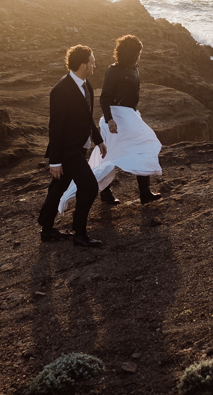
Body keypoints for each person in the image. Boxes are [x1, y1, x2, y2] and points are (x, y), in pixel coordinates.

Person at [58, 34, 162, 215]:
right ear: (129, 53)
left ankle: (144, 193)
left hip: (130, 115)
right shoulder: (113, 71)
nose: (139, 56)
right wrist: (109, 119)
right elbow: (104, 97)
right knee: (113, 155)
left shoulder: (134, 68)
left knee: (141, 147)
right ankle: (105, 192)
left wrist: (134, 114)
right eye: (137, 53)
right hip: (116, 117)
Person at [37, 44, 107, 247]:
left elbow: (87, 117)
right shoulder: (61, 90)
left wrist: (98, 139)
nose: (95, 65)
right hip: (67, 150)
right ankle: (79, 234)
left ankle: (47, 228)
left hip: (79, 147)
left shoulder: (86, 85)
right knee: (89, 186)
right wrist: (55, 161)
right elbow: (56, 128)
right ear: (84, 65)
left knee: (58, 187)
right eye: (93, 62)